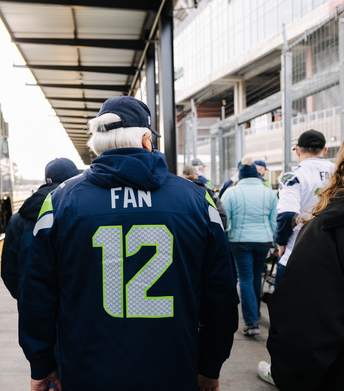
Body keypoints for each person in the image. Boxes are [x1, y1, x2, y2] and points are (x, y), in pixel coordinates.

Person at [19, 95, 239, 391]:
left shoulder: (60, 202)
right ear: (147, 140)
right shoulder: (196, 200)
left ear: (98, 144)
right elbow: (221, 294)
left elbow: (36, 295)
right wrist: (211, 365)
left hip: (87, 371)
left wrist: (41, 363)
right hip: (173, 368)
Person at [264, 111, 344, 390]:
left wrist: (281, 242)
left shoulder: (328, 224)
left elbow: (302, 339)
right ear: (325, 149)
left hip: (303, 255)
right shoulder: (327, 174)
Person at [1, 157, 80, 300]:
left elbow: (8, 270)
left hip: (31, 306)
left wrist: (24, 295)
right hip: (71, 308)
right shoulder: (79, 211)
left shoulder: (18, 220)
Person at [220, 156, 277, 336]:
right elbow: (274, 220)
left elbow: (225, 218)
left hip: (240, 241)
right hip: (264, 241)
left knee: (244, 277)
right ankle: (255, 311)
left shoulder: (231, 193)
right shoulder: (268, 193)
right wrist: (276, 244)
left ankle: (251, 322)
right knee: (255, 277)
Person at [273, 129, 335, 288]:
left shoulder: (293, 177)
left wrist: (281, 242)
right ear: (325, 149)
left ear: (298, 151)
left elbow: (287, 214)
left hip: (296, 253)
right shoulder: (340, 172)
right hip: (333, 255)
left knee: (287, 309)